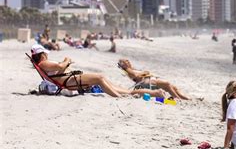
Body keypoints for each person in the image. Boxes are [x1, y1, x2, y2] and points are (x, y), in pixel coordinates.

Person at [30, 44, 165, 98]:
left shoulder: (41, 65)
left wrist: (64, 64)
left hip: (68, 80)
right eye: (45, 53)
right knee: (100, 78)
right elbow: (59, 68)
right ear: (42, 54)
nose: (47, 55)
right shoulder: (44, 63)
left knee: (119, 87)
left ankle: (155, 93)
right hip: (69, 81)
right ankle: (118, 97)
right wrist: (67, 59)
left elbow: (58, 71)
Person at [118, 59, 193, 100]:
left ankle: (185, 98)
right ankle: (177, 98)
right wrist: (144, 72)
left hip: (149, 79)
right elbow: (135, 76)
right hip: (146, 82)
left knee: (173, 87)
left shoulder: (131, 69)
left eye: (128, 61)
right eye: (126, 62)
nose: (128, 62)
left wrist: (145, 73)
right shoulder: (128, 70)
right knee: (167, 84)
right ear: (124, 65)